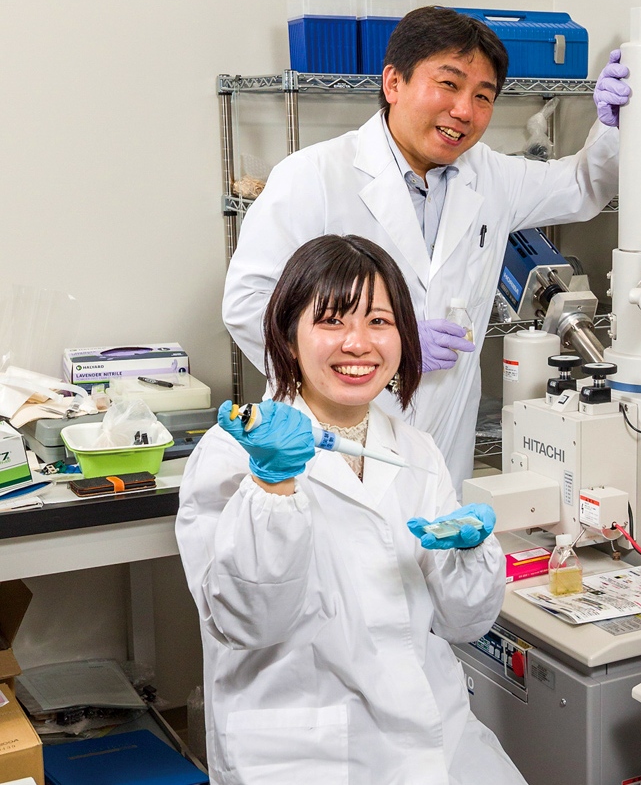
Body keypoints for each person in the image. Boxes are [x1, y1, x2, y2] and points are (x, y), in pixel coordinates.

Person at [223, 5, 630, 491]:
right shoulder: (314, 176)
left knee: (432, 534)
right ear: (393, 82)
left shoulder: (491, 176)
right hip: (331, 445)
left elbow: (582, 186)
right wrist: (387, 342)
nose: (464, 111)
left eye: (483, 96)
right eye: (449, 84)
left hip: (440, 452)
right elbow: (247, 304)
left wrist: (614, 125)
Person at [178, 235, 523, 784]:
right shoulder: (233, 454)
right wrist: (273, 486)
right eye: (331, 321)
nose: (358, 343)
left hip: (435, 733)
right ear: (288, 337)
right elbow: (248, 622)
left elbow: (464, 623)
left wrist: (471, 555)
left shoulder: (415, 450)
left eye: (379, 322)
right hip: (304, 753)